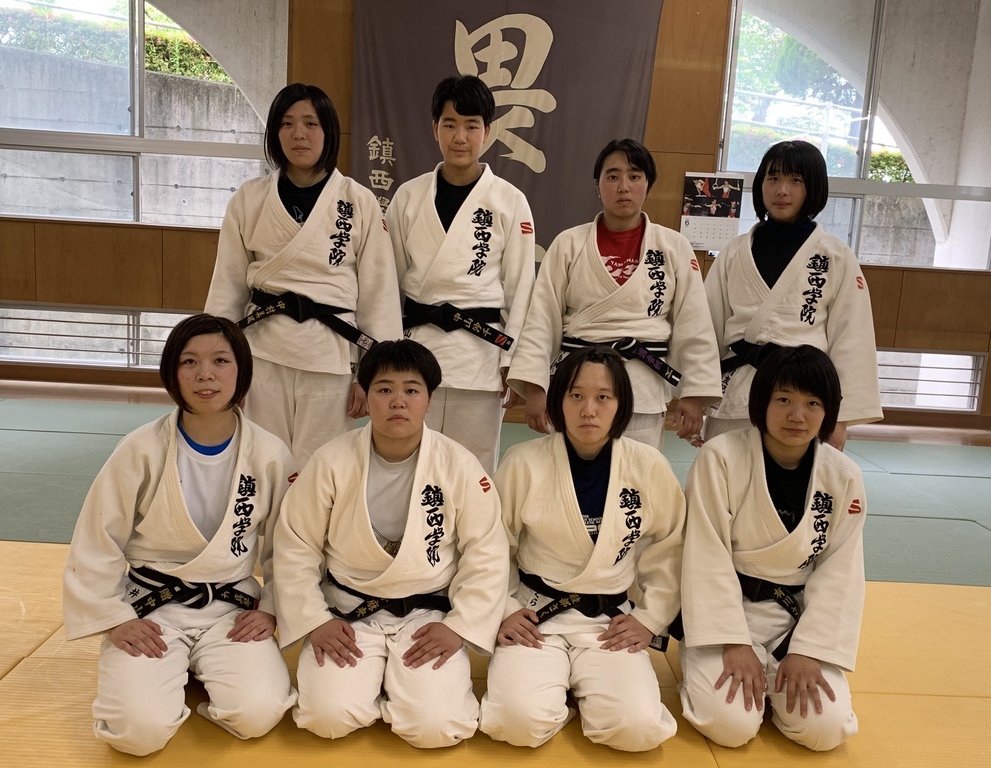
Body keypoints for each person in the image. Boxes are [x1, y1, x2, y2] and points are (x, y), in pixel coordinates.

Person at [62, 314, 297, 756]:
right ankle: (162, 679)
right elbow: (97, 538)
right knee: (137, 733)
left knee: (258, 712)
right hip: (152, 608)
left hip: (231, 608)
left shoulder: (269, 453)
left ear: (242, 370)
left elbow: (290, 545)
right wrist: (114, 617)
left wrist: (273, 608)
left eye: (220, 361)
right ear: (172, 371)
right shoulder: (140, 448)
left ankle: (195, 678)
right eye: (189, 361)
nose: (205, 374)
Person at [273, 339, 508, 748]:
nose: (398, 401)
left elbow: (486, 552)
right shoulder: (331, 460)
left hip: (427, 616)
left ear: (429, 400)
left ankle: (397, 686)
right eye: (384, 389)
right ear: (365, 396)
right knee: (326, 718)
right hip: (347, 612)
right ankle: (381, 684)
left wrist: (459, 626)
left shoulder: (458, 464)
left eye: (411, 390)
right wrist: (315, 619)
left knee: (437, 728)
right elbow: (296, 544)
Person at [479, 346, 685, 751]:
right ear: (558, 401)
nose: (589, 410)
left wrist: (649, 618)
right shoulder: (523, 462)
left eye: (603, 397)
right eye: (576, 395)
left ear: (621, 404)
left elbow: (671, 546)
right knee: (516, 723)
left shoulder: (647, 466)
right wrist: (503, 609)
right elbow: (491, 543)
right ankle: (563, 693)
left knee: (638, 729)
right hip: (535, 616)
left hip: (609, 623)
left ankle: (576, 688)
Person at [679, 345, 865, 752]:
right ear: (761, 402)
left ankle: (777, 677)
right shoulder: (721, 457)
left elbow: (842, 571)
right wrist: (733, 641)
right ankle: (705, 672)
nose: (797, 415)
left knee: (825, 730)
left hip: (795, 618)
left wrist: (809, 650)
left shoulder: (843, 476)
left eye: (812, 403)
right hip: (729, 612)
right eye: (783, 400)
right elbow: (704, 554)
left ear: (828, 411)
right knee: (731, 726)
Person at [205, 82, 402, 464]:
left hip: (330, 355)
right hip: (262, 351)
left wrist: (372, 374)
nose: (299, 133)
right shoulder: (249, 198)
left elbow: (379, 295)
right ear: (274, 133)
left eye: (311, 123)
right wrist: (220, 365)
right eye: (287, 123)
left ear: (328, 132)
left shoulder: (358, 200)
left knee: (324, 466)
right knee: (260, 462)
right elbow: (227, 287)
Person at [508, 138, 722, 453]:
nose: (623, 186)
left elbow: (694, 323)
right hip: (577, 383)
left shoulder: (673, 247)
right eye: (612, 176)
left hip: (642, 384)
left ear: (647, 185)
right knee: (572, 472)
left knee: (636, 474)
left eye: (634, 176)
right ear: (598, 186)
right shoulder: (569, 243)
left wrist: (693, 393)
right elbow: (542, 318)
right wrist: (536, 386)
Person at [386, 74, 536, 475]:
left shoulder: (510, 201)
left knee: (472, 470)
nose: (460, 137)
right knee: (409, 464)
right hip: (416, 354)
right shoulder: (408, 197)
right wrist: (384, 354)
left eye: (471, 126)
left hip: (479, 358)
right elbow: (386, 285)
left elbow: (522, 289)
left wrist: (513, 361)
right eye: (450, 124)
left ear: (487, 131)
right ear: (434, 128)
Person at [703, 140, 882, 450]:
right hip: (738, 393)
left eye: (795, 180)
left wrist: (840, 418)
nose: (782, 190)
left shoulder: (835, 256)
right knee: (724, 474)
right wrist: (695, 395)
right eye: (773, 178)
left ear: (813, 188)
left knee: (795, 479)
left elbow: (852, 338)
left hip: (805, 399)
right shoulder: (734, 252)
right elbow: (706, 327)